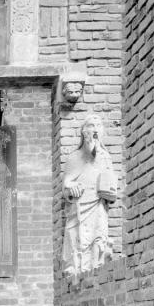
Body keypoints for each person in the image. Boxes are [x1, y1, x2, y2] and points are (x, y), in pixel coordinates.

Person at [62, 115, 117, 278]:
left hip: (98, 206)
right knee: (76, 241)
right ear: (83, 132)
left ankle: (96, 275)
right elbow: (66, 186)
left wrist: (97, 152)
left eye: (97, 126)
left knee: (98, 241)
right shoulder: (74, 157)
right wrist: (71, 188)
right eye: (90, 126)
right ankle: (77, 272)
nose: (94, 130)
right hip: (79, 208)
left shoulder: (105, 157)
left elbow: (111, 188)